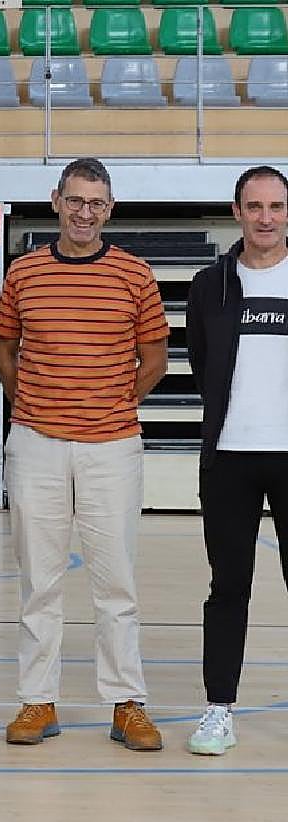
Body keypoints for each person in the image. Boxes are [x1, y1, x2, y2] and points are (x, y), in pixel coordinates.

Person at [0, 158, 169, 751]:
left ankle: (126, 703)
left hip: (112, 447)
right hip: (37, 445)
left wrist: (111, 403)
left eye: (96, 202)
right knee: (38, 581)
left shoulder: (135, 275)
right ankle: (37, 702)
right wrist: (37, 411)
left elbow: (154, 360)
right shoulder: (24, 273)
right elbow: (4, 351)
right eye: (75, 200)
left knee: (115, 583)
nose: (85, 212)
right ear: (56, 200)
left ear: (109, 208)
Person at [185, 165, 288, 756]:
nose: (266, 218)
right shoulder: (210, 284)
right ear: (237, 212)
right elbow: (202, 360)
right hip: (230, 458)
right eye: (255, 207)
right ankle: (218, 709)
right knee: (229, 588)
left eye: (275, 206)